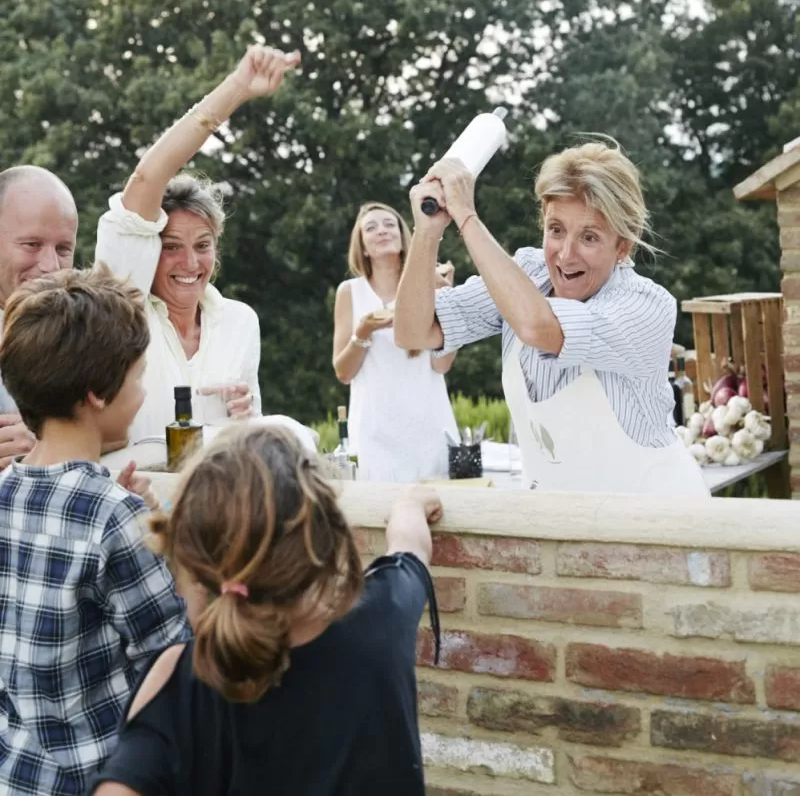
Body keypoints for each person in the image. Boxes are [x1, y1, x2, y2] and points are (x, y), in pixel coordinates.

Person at [91, 424, 443, 796]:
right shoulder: (382, 615)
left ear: (194, 571)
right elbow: (409, 545)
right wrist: (409, 504)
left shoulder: (177, 680)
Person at [394, 139, 708, 495]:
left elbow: (538, 326)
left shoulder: (646, 306)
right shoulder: (525, 274)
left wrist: (466, 216)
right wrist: (428, 231)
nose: (566, 255)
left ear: (624, 246)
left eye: (589, 237)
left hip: (658, 522)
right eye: (556, 230)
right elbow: (412, 332)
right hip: (567, 525)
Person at [0, 266, 188, 796]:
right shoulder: (114, 516)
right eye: (138, 375)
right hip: (99, 780)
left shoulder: (6, 491)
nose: (143, 389)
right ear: (97, 394)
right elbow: (174, 658)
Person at [95, 45, 300, 443]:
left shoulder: (241, 322)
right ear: (148, 247)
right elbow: (144, 180)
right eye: (171, 246)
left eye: (202, 245)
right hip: (138, 496)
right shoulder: (123, 308)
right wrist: (238, 87)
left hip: (213, 499)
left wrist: (247, 418)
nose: (190, 262)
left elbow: (245, 435)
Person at [333, 202, 459, 482]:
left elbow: (442, 365)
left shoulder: (430, 285)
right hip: (374, 434)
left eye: (390, 224)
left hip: (428, 429)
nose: (382, 231)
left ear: (404, 238)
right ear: (362, 246)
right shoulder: (350, 292)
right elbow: (343, 372)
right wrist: (363, 331)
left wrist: (448, 304)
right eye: (371, 227)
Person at [0, 166, 79, 467]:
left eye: (63, 249)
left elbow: (119, 430)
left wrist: (47, 440)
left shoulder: (80, 328)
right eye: (31, 245)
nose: (50, 266)